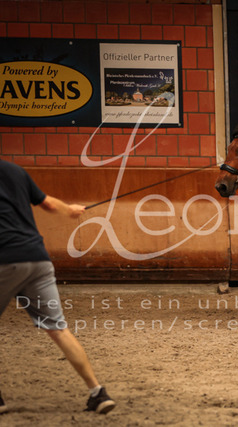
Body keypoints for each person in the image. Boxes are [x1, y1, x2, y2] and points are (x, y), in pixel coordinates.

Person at [0, 159, 115, 415]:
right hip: (38, 259)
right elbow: (49, 204)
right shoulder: (15, 171)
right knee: (58, 328)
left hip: (5, 261)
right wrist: (70, 210)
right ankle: (97, 392)